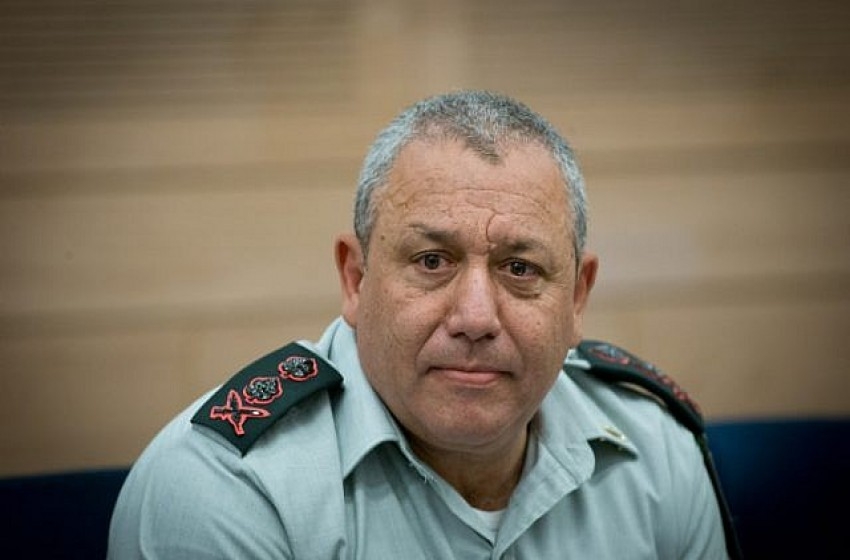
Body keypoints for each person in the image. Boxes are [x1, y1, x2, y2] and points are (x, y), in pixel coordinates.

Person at [108, 90, 736, 559]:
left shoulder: (657, 456)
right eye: (432, 261)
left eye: (520, 268)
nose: (475, 318)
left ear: (576, 298)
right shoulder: (226, 490)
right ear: (356, 280)